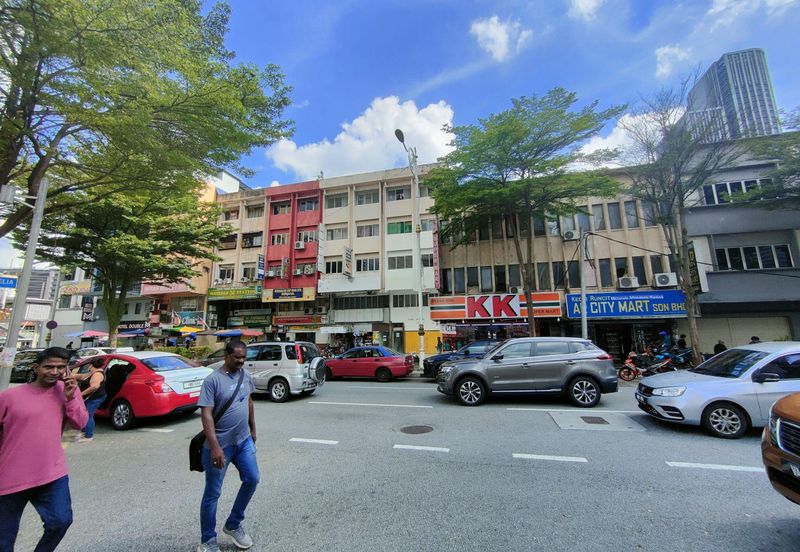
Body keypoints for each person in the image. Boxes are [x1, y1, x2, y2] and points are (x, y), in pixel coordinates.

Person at [0, 347, 88, 552]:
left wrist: (70, 398)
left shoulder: (69, 391)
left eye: (60, 367)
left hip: (51, 473)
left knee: (61, 521)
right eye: (49, 367)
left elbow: (80, 422)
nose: (55, 372)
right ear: (36, 368)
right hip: (10, 477)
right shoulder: (10, 397)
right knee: (4, 540)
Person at [197, 340, 258, 552]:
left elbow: (248, 401)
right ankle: (207, 540)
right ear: (226, 356)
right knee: (213, 494)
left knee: (252, 479)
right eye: (237, 357)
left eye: (244, 357)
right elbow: (206, 414)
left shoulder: (246, 376)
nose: (241, 361)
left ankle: (233, 525)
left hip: (243, 441)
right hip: (220, 446)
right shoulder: (212, 381)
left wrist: (253, 428)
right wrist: (214, 446)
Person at [77, 356, 107, 443]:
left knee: (88, 415)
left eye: (88, 364)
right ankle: (84, 431)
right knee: (85, 414)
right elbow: (83, 376)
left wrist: (81, 394)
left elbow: (94, 386)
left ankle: (89, 436)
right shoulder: (94, 372)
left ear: (91, 365)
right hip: (93, 398)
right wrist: (71, 376)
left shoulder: (97, 374)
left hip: (95, 398)